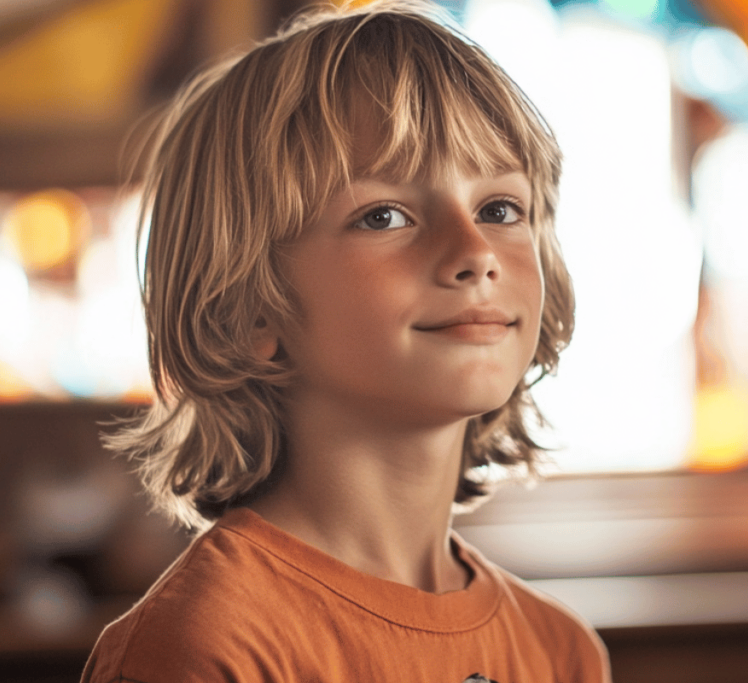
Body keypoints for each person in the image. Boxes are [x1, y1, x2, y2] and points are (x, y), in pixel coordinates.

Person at [83, 1, 610, 681]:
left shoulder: (562, 651)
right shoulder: (205, 644)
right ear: (248, 311)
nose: (474, 251)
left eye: (499, 209)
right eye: (384, 214)